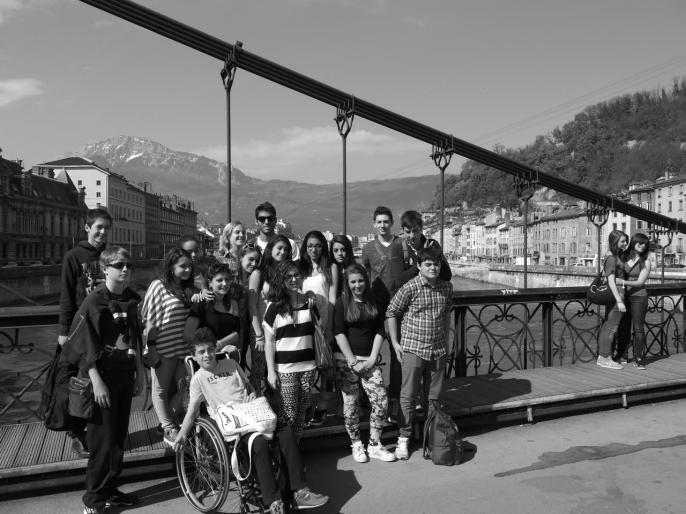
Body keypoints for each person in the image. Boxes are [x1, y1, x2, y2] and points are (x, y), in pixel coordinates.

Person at [171, 328, 329, 514]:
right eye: (201, 352)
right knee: (259, 443)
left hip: (252, 411)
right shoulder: (198, 379)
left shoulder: (230, 363)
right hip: (234, 422)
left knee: (286, 433)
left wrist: (252, 394)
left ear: (216, 349)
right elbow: (192, 412)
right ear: (194, 356)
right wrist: (182, 434)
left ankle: (300, 492)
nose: (207, 355)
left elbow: (250, 388)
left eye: (210, 349)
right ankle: (274, 501)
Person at [60, 247, 142, 514]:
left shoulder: (130, 299)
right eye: (119, 265)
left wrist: (139, 373)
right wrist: (96, 380)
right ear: (106, 269)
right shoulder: (95, 301)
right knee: (101, 440)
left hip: (124, 374)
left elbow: (134, 339)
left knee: (118, 437)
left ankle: (111, 490)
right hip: (101, 378)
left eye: (128, 264)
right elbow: (82, 344)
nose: (125, 269)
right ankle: (93, 500)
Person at [386, 246, 453, 460]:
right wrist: (396, 343)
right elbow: (391, 312)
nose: (433, 268)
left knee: (433, 398)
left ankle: (432, 435)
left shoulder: (446, 287)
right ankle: (403, 439)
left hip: (438, 350)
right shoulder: (410, 288)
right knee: (408, 396)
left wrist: (448, 339)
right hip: (413, 348)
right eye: (428, 264)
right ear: (419, 266)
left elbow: (447, 313)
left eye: (436, 264)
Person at [58, 207, 113, 457]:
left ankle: (99, 431)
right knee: (80, 382)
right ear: (87, 227)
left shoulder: (111, 255)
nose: (102, 232)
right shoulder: (73, 256)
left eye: (106, 228)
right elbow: (67, 295)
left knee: (103, 380)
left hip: (106, 326)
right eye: (98, 227)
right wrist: (63, 330)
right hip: (81, 327)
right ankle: (77, 433)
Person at [333, 263, 396, 463]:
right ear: (347, 283)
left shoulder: (374, 302)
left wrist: (371, 359)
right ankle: (356, 443)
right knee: (350, 405)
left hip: (369, 361)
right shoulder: (342, 303)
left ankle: (374, 443)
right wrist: (352, 361)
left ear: (366, 281)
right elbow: (339, 333)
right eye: (353, 282)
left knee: (381, 402)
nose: (357, 285)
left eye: (360, 281)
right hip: (347, 361)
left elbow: (380, 330)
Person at [359, 206, 411, 410]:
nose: (382, 225)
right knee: (366, 350)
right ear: (374, 224)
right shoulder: (368, 248)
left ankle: (396, 395)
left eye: (386, 221)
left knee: (397, 351)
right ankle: (367, 395)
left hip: (399, 307)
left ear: (392, 223)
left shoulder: (401, 244)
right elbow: (363, 274)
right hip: (375, 307)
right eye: (379, 222)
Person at [141, 248, 194, 445]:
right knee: (160, 390)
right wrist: (152, 348)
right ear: (171, 267)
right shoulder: (159, 286)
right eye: (183, 266)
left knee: (187, 388)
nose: (187, 270)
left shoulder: (187, 289)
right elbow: (150, 321)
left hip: (182, 349)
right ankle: (168, 427)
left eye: (189, 266)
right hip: (163, 347)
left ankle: (166, 422)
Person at [264, 261, 317, 437]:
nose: (294, 279)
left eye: (297, 275)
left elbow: (319, 330)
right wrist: (271, 372)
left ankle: (295, 456)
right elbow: (269, 342)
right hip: (285, 369)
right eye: (289, 276)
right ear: (281, 279)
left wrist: (310, 296)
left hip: (308, 367)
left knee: (301, 417)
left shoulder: (309, 303)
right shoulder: (274, 307)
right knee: (289, 416)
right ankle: (285, 458)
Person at [248, 235, 293, 393]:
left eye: (286, 249)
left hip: (282, 328)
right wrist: (258, 334)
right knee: (258, 371)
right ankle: (258, 406)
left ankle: (276, 405)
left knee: (278, 369)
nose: (282, 252)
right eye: (279, 248)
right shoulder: (258, 274)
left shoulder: (288, 272)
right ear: (270, 250)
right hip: (261, 328)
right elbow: (252, 305)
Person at [184, 263, 244, 356]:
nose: (224, 283)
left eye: (227, 279)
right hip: (206, 358)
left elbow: (236, 333)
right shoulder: (201, 303)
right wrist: (210, 347)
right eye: (219, 280)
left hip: (226, 356)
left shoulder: (233, 304)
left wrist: (220, 344)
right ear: (210, 283)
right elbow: (188, 335)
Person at [614, 232, 652, 369]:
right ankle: (621, 355)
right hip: (624, 296)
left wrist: (622, 281)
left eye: (645, 244)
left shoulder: (646, 261)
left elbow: (640, 282)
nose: (643, 246)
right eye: (640, 243)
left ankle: (638, 359)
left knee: (638, 328)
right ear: (634, 242)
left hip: (639, 297)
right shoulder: (623, 257)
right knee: (623, 326)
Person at [596, 230, 629, 370]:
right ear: (614, 242)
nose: (625, 243)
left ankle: (603, 357)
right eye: (622, 241)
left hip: (616, 296)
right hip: (617, 296)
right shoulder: (611, 258)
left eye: (625, 240)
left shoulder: (615, 256)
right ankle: (605, 358)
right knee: (610, 329)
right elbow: (611, 281)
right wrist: (619, 301)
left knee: (608, 327)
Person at [398, 210, 452, 283]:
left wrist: (430, 252)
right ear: (403, 230)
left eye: (415, 231)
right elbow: (399, 281)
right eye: (408, 232)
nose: (412, 235)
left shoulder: (433, 244)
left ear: (421, 229)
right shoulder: (398, 250)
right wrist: (422, 255)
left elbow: (447, 276)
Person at [329, 234, 356, 300]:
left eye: (343, 250)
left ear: (348, 250)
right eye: (336, 250)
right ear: (332, 252)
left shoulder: (356, 269)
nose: (340, 253)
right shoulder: (328, 270)